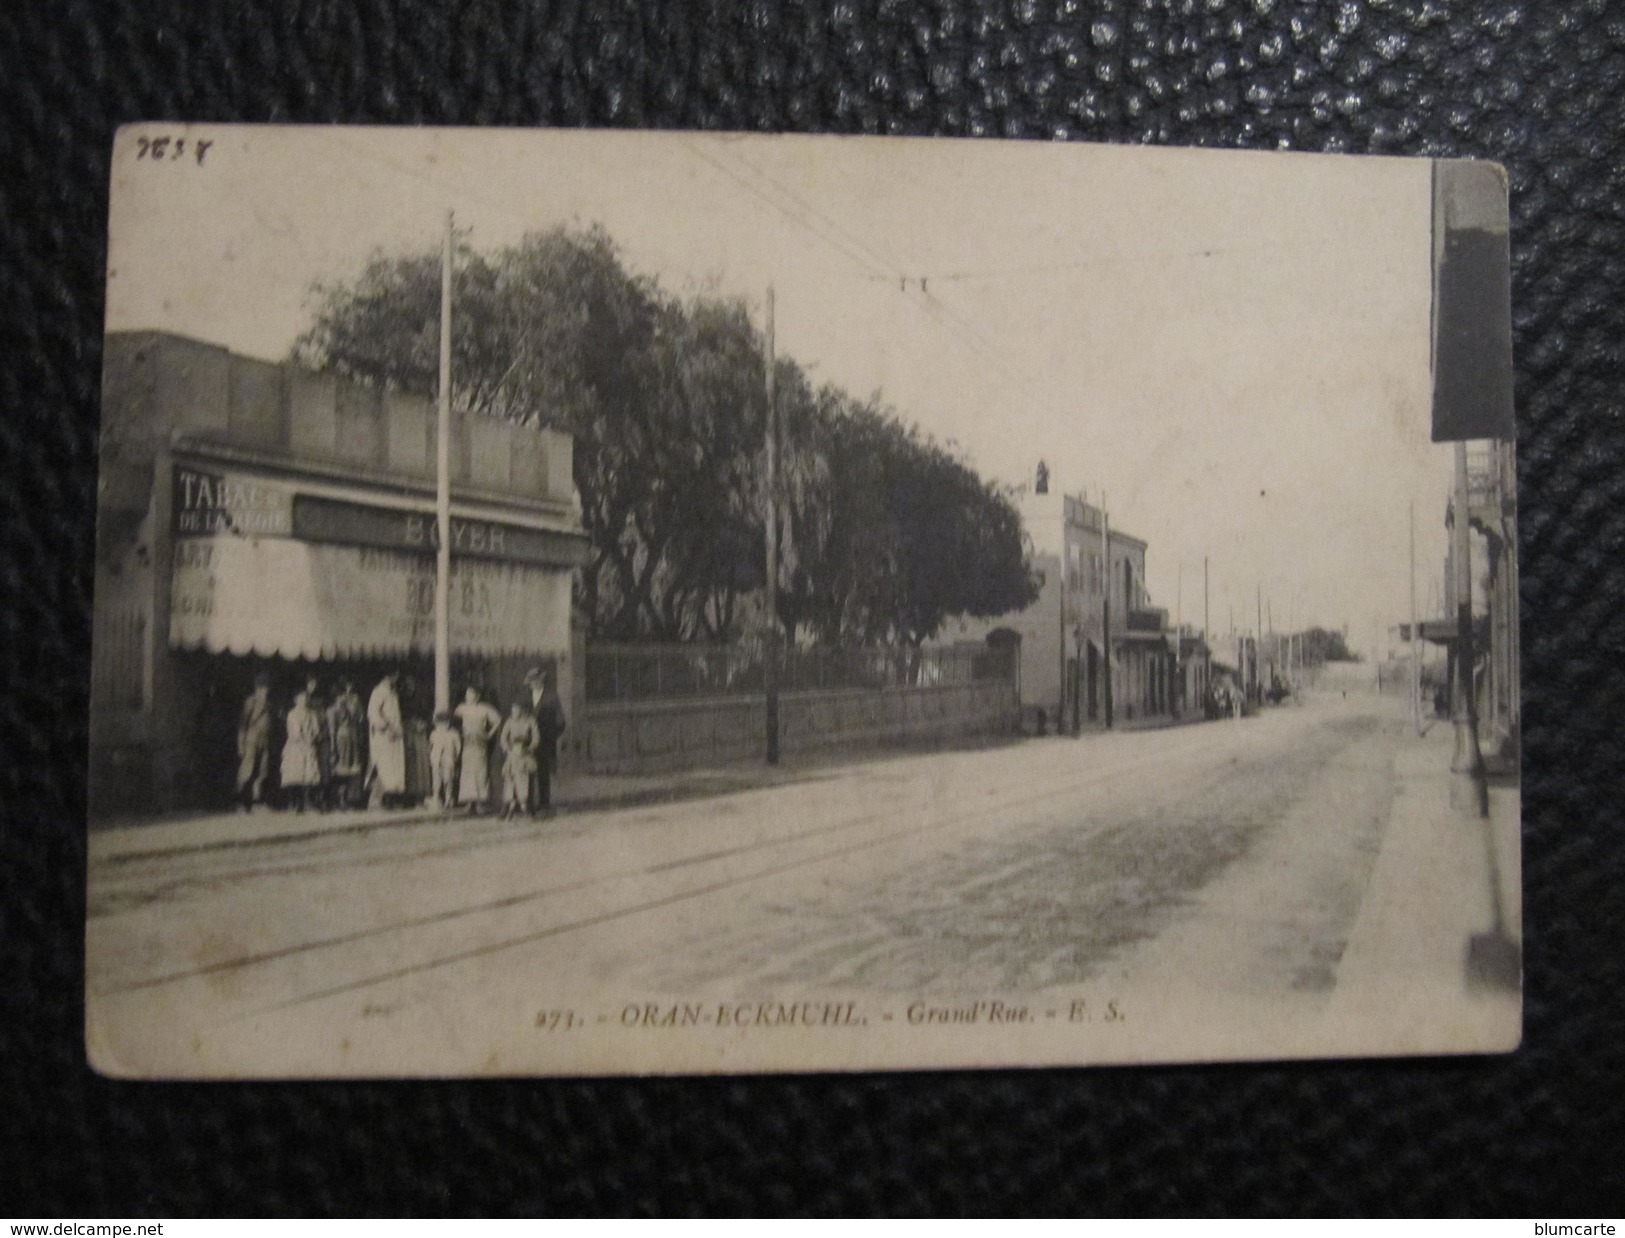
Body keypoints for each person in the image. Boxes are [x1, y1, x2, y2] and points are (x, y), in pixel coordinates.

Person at [524, 666, 568, 817]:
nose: (533, 684)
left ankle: (544, 804)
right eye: (531, 682)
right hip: (527, 742)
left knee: (543, 772)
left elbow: (561, 721)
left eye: (536, 681)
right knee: (527, 772)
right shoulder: (525, 698)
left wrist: (552, 736)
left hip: (545, 741)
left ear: (541, 681)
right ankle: (528, 803)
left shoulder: (551, 697)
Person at [454, 685, 501, 814]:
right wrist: (460, 733)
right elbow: (454, 721)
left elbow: (497, 720)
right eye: (467, 694)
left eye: (472, 694)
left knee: (480, 770)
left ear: (477, 696)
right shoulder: (461, 708)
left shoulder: (484, 708)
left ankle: (480, 802)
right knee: (467, 770)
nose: (469, 696)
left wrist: (489, 734)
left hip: (480, 741)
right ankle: (469, 802)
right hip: (468, 742)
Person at [280, 687, 324, 812]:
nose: (304, 701)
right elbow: (295, 731)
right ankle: (295, 803)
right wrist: (303, 737)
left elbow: (316, 729)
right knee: (296, 774)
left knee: (309, 775)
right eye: (301, 698)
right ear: (296, 700)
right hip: (296, 746)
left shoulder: (312, 713)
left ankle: (308, 802)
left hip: (309, 745)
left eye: (305, 698)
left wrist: (313, 737)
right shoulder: (292, 714)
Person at [366, 672, 407, 808]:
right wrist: (386, 727)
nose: (396, 679)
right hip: (383, 736)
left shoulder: (392, 692)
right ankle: (375, 799)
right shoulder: (379, 692)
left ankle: (388, 799)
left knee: (393, 768)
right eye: (394, 676)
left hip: (394, 736)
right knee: (383, 767)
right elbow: (373, 713)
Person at [236, 673, 274, 811]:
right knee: (247, 771)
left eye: (266, 688)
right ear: (257, 689)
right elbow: (243, 725)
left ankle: (257, 801)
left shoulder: (269, 704)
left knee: (262, 772)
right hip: (251, 742)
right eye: (263, 688)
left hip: (264, 742)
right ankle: (242, 801)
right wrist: (240, 745)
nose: (265, 691)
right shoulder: (251, 702)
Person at [326, 680, 366, 809]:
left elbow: (360, 719)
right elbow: (332, 730)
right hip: (341, 740)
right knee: (341, 769)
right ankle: (339, 799)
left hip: (352, 739)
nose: (345, 697)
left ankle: (350, 798)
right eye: (343, 693)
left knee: (352, 770)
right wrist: (333, 747)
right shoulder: (333, 711)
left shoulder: (349, 709)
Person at [499, 700, 540, 820]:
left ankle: (528, 807)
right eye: (513, 710)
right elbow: (503, 738)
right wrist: (508, 749)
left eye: (517, 710)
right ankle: (507, 807)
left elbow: (536, 737)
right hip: (512, 753)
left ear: (523, 710)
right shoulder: (509, 722)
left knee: (526, 780)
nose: (515, 712)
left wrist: (528, 748)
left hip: (525, 753)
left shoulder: (530, 721)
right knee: (510, 780)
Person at [428, 710, 462, 810]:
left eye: (444, 723)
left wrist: (455, 756)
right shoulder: (434, 734)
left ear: (448, 723)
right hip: (436, 759)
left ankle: (448, 798)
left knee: (448, 779)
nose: (441, 726)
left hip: (448, 758)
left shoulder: (453, 734)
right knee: (436, 780)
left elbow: (458, 747)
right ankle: (436, 797)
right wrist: (431, 757)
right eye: (439, 724)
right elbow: (430, 746)